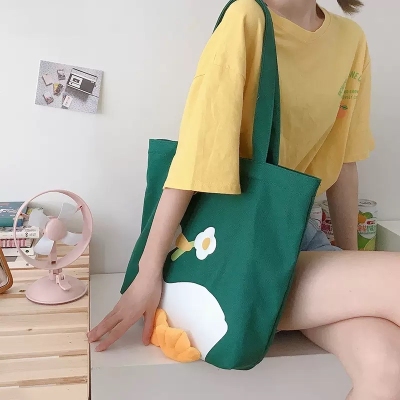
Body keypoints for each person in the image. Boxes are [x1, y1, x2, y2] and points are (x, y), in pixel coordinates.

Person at [89, 0, 400, 398]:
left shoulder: (350, 40)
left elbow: (344, 161)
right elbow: (198, 153)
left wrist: (350, 264)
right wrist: (148, 271)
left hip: (300, 238)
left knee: (387, 365)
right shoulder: (247, 18)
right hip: (228, 249)